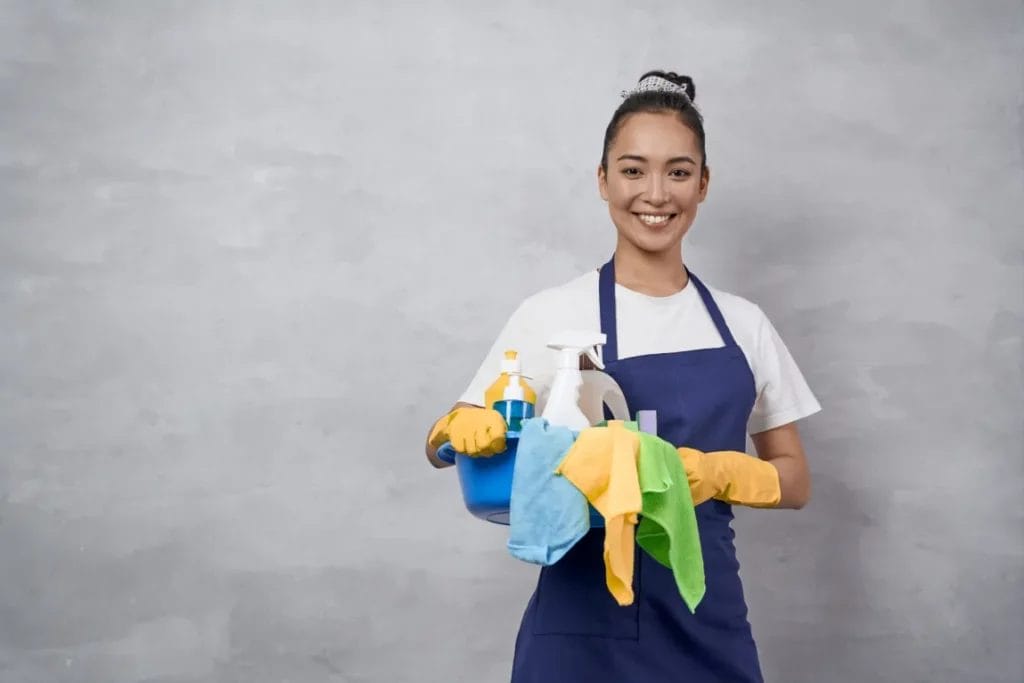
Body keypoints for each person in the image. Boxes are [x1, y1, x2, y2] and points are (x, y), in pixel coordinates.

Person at [424, 70, 821, 683]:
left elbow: (795, 480)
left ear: (704, 184)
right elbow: (447, 444)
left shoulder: (745, 325)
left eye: (679, 171)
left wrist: (725, 473)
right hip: (583, 623)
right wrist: (459, 426)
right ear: (602, 180)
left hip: (704, 615)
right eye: (633, 170)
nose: (656, 194)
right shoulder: (553, 313)